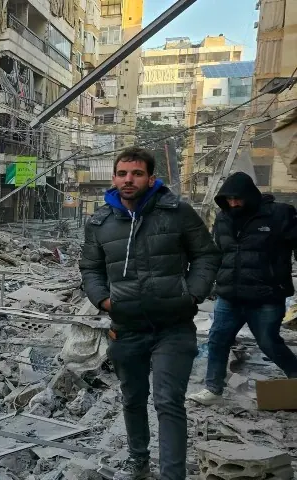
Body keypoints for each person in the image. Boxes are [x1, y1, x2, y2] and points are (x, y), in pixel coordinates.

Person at [80, 147, 220, 480]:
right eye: (123, 173)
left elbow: (207, 256)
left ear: (150, 178)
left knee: (168, 401)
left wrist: (192, 294)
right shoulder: (99, 222)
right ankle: (138, 462)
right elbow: (90, 268)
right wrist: (105, 301)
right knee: (132, 398)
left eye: (137, 173)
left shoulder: (178, 213)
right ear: (114, 178)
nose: (129, 180)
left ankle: (172, 475)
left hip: (173, 326)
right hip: (126, 327)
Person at [189, 172, 297, 406]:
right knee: (218, 339)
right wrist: (212, 284)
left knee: (269, 342)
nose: (233, 203)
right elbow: (218, 253)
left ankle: (295, 379)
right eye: (228, 199)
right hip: (230, 297)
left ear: (250, 195)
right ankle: (213, 389)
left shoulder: (279, 214)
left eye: (238, 198)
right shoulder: (223, 218)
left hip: (266, 296)